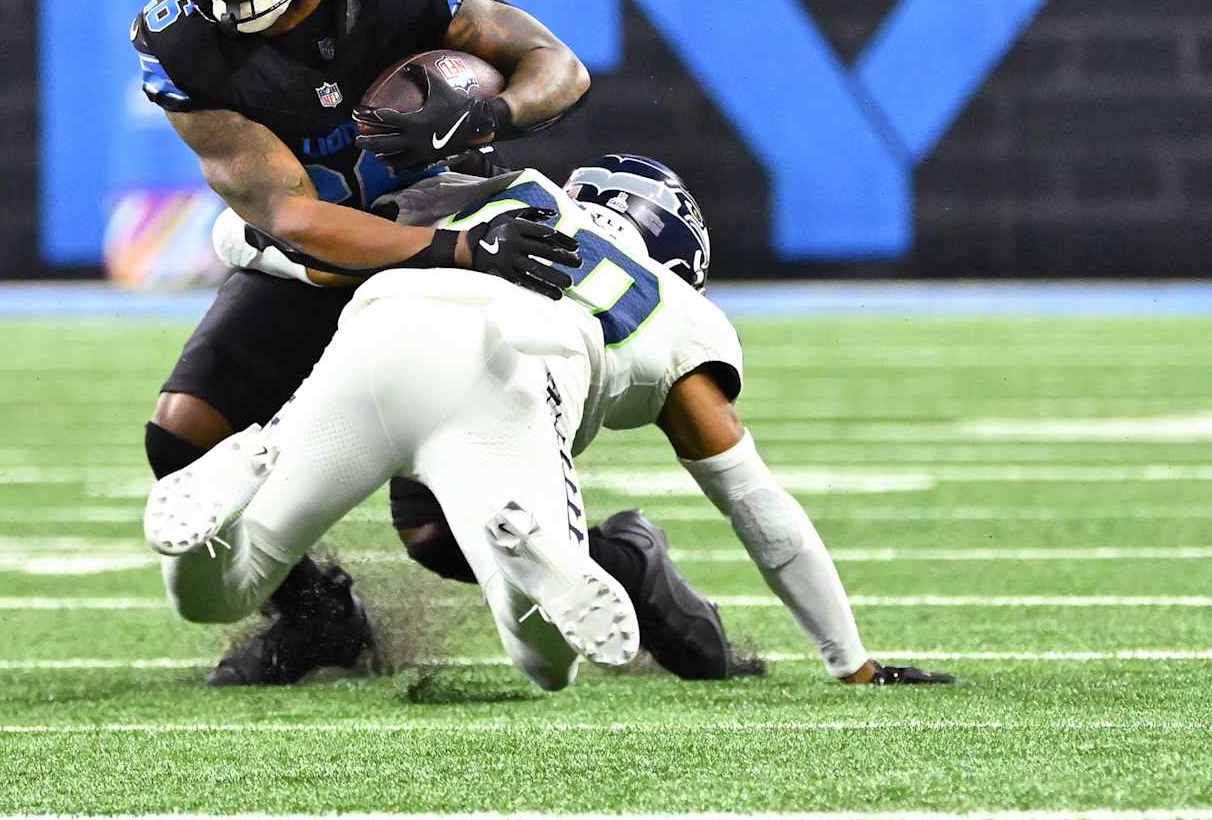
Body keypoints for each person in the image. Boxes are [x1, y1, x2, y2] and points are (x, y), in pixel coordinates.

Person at [132, 0, 723, 687]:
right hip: (346, 256)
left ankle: (622, 561)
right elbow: (295, 220)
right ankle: (319, 619)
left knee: (440, 531)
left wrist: (495, 114)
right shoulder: (184, 45)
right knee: (184, 436)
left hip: (448, 221)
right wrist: (457, 251)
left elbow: (557, 66)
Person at [153, 158, 956, 692]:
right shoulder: (679, 309)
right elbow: (753, 500)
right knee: (542, 659)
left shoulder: (504, 188)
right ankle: (533, 556)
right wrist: (850, 661)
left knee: (225, 590)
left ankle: (221, 490)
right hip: (507, 371)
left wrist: (255, 237)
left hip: (380, 330)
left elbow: (276, 242)